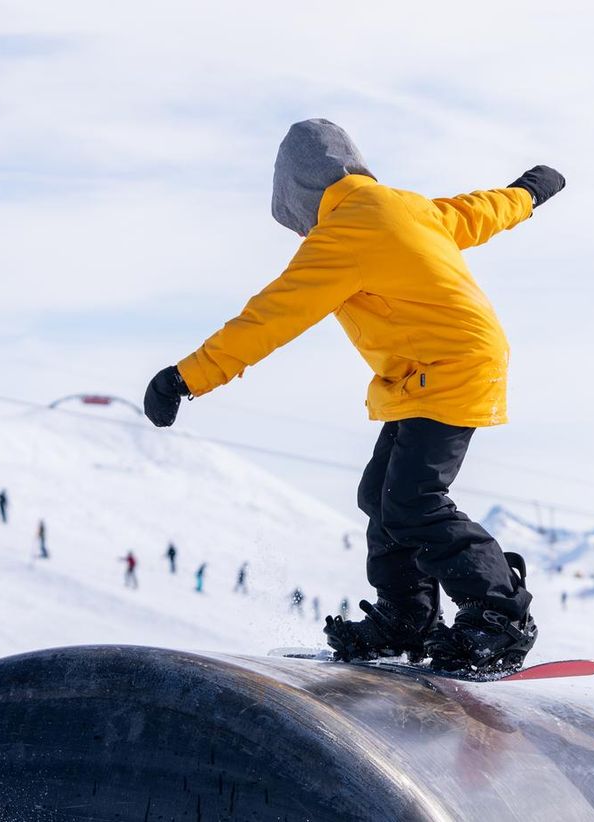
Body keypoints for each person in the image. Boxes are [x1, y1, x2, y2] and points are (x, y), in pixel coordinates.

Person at [142, 119, 561, 673]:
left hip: (449, 367)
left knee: (413, 501)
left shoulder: (342, 236)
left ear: (298, 196)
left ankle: (499, 618)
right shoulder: (405, 208)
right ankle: (407, 617)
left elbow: (270, 317)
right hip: (432, 369)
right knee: (380, 495)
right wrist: (529, 192)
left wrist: (186, 377)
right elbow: (479, 212)